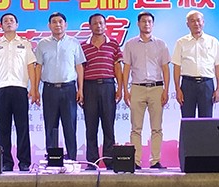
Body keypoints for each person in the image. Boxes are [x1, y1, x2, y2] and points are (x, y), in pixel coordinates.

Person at [0, 13, 36, 172]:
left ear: (17, 24)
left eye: (11, 20)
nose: (8, 23)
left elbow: (30, 66)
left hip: (20, 89)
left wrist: (33, 88)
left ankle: (24, 162)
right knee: (3, 128)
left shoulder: (25, 44)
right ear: (1, 26)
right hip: (1, 89)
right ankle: (6, 162)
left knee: (22, 127)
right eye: (5, 21)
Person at [33, 12, 85, 161]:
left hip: (69, 89)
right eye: (54, 22)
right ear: (49, 25)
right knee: (51, 126)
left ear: (65, 25)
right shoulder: (42, 44)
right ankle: (53, 159)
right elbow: (38, 67)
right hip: (49, 89)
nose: (57, 24)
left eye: (60, 22)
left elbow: (79, 66)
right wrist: (35, 90)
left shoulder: (74, 43)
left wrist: (80, 89)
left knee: (70, 126)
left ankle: (72, 159)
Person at [122, 12, 170, 169]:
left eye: (149, 21)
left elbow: (165, 68)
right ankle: (136, 161)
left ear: (153, 24)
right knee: (136, 128)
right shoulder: (130, 44)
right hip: (137, 88)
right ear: (138, 24)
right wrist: (125, 90)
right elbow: (126, 68)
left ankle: (155, 161)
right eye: (143, 21)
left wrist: (166, 90)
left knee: (157, 128)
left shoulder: (161, 44)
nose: (146, 24)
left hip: (157, 88)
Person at [80, 13, 123, 170]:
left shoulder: (113, 44)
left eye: (101, 23)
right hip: (89, 87)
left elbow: (117, 67)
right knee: (91, 127)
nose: (98, 26)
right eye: (95, 23)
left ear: (105, 25)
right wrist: (80, 90)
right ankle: (92, 161)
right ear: (90, 26)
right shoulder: (83, 46)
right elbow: (80, 69)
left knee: (108, 126)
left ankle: (110, 161)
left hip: (108, 86)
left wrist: (120, 88)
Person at [172, 10, 219, 118]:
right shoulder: (181, 42)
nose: (196, 23)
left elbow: (218, 67)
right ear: (187, 24)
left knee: (206, 120)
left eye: (198, 20)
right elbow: (177, 67)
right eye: (192, 21)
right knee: (187, 119)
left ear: (203, 22)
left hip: (206, 85)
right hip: (187, 85)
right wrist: (177, 89)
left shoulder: (213, 41)